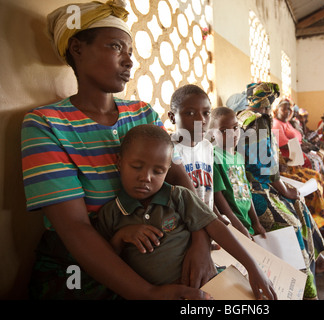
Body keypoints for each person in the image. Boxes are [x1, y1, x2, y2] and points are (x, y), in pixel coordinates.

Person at [21, 0, 215, 300]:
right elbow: (74, 228)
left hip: (154, 253)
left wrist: (200, 243)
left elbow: (180, 184)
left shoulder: (142, 114)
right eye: (115, 47)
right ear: (77, 48)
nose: (128, 62)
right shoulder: (45, 124)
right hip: (81, 267)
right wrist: (148, 292)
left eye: (130, 52)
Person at [95, 124, 277, 300]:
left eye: (158, 171)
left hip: (208, 286)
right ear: (119, 163)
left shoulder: (178, 196)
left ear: (167, 171)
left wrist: (253, 267)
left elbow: (216, 227)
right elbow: (108, 261)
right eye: (136, 167)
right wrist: (121, 236)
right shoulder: (112, 213)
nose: (146, 177)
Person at [232, 83, 324, 300]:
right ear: (270, 102)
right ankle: (302, 289)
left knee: (300, 205)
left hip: (252, 184)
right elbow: (266, 167)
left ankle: (319, 264)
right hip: (255, 190)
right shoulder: (258, 122)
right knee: (292, 221)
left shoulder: (242, 117)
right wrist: (285, 189)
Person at [272, 99, 324, 237]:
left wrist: (308, 146)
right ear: (276, 110)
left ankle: (322, 221)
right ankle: (320, 226)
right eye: (284, 109)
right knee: (310, 186)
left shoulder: (287, 123)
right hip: (287, 165)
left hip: (293, 162)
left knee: (317, 178)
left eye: (289, 110)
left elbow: (298, 140)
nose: (287, 112)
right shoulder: (275, 124)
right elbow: (285, 147)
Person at [209, 106, 266, 239]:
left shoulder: (238, 157)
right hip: (233, 225)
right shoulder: (214, 157)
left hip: (246, 222)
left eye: (235, 128)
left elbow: (246, 191)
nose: (232, 134)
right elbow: (219, 199)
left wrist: (256, 222)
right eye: (223, 131)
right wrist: (239, 227)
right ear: (212, 133)